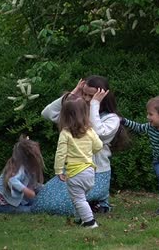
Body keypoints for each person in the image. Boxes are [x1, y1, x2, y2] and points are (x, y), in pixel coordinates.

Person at [32, 75, 129, 215]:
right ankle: (92, 204)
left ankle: (98, 202)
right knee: (41, 204)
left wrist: (94, 105)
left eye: (91, 96)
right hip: (72, 171)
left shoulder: (111, 119)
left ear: (103, 96)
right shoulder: (76, 116)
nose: (87, 99)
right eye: (84, 94)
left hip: (96, 174)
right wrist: (71, 95)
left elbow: (98, 133)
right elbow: (47, 114)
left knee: (62, 207)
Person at [54, 95, 103, 228]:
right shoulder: (90, 131)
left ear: (65, 115)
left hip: (75, 173)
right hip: (89, 172)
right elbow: (99, 146)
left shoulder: (65, 133)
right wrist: (88, 152)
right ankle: (80, 218)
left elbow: (60, 153)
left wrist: (58, 170)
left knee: (78, 199)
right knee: (81, 198)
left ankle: (90, 222)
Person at [0, 135, 45, 214]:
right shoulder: (17, 168)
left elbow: (33, 184)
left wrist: (45, 188)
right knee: (31, 210)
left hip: (17, 200)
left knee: (38, 204)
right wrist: (26, 190)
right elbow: (12, 179)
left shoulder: (28, 168)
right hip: (1, 204)